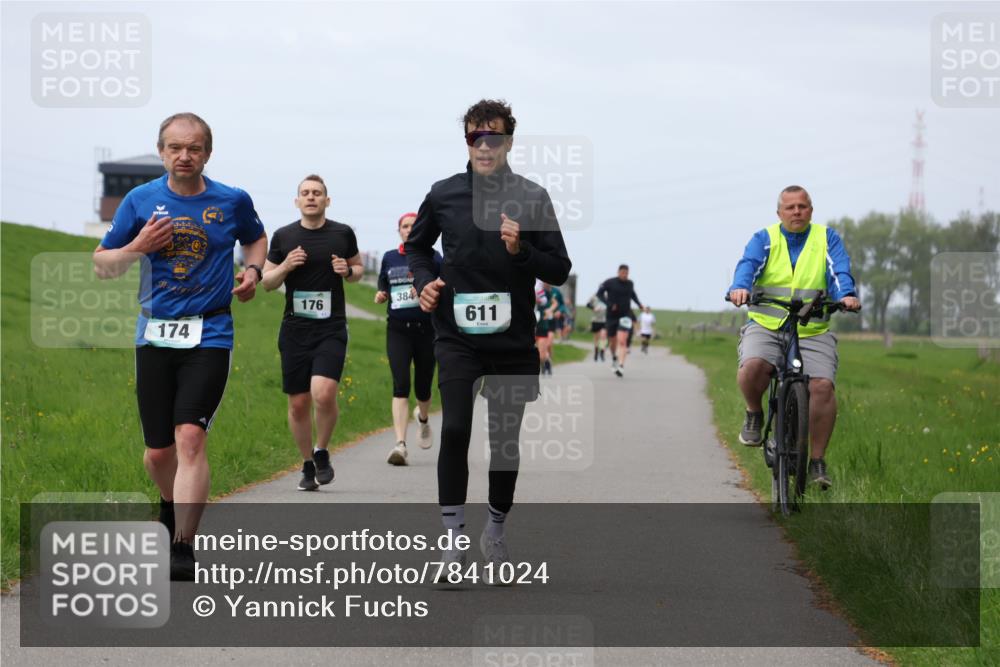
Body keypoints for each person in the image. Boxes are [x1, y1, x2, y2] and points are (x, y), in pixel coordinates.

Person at [92, 112, 267, 580]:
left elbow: (255, 240)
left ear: (207, 153)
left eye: (193, 148)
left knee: (190, 437)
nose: (184, 156)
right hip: (153, 331)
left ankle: (183, 545)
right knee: (157, 454)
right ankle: (169, 507)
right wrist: (139, 246)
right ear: (162, 151)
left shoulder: (231, 200)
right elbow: (103, 266)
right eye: (175, 148)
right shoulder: (139, 200)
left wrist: (251, 273)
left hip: (209, 332)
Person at [406, 99, 571, 580]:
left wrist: (521, 251)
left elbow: (559, 269)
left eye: (493, 136)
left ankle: (495, 530)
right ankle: (453, 541)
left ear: (509, 141)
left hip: (514, 338)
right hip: (456, 335)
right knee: (455, 429)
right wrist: (424, 282)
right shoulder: (444, 194)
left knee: (504, 442)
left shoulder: (532, 196)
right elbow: (416, 246)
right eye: (475, 137)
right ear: (467, 143)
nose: (484, 145)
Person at [727, 185, 860, 489]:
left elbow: (838, 270)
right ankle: (754, 413)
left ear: (811, 210)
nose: (797, 211)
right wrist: (740, 286)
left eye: (802, 206)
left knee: (823, 386)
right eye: (790, 207)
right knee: (752, 367)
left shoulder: (827, 238)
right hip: (767, 324)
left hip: (811, 330)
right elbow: (748, 265)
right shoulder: (765, 238)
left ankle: (816, 461)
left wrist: (847, 295)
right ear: (779, 213)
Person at [260, 175, 363, 491]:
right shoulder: (284, 236)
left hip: (331, 327)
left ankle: (322, 450)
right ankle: (307, 464)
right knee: (299, 403)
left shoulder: (342, 233)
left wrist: (347, 271)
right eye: (305, 193)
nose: (311, 197)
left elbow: (357, 270)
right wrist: (286, 266)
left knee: (324, 392)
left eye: (317, 193)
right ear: (297, 201)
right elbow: (267, 281)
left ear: (327, 201)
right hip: (295, 329)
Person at [375, 212, 442, 465]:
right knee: (400, 384)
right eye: (405, 226)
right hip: (398, 329)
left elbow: (443, 286)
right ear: (399, 231)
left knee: (423, 388)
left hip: (427, 330)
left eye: (414, 226)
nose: (409, 230)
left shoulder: (434, 257)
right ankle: (400, 445)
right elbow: (384, 282)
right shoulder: (390, 257)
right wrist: (382, 293)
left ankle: (423, 418)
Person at [597, 264, 643, 377]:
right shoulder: (610, 282)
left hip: (625, 315)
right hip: (612, 315)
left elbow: (633, 295)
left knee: (622, 341)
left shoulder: (630, 284)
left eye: (626, 273)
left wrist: (640, 305)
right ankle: (614, 357)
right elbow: (599, 294)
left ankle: (621, 366)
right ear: (618, 272)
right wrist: (609, 304)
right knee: (612, 340)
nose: (625, 275)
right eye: (623, 273)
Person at [534, 280, 557, 375]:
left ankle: (546, 361)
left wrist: (549, 310)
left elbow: (555, 303)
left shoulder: (547, 292)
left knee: (541, 355)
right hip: (530, 325)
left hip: (542, 324)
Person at [586, 293, 608, 361]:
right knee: (596, 338)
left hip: (604, 320)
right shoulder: (594, 297)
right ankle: (596, 352)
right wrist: (593, 308)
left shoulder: (608, 296)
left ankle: (602, 352)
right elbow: (588, 305)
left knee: (603, 336)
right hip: (595, 320)